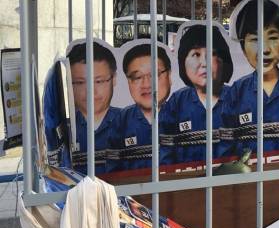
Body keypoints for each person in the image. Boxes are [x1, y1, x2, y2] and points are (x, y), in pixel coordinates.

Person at [221, 0, 279, 157]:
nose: (265, 49)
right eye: (255, 40)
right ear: (243, 47)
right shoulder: (236, 93)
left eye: (272, 38)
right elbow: (226, 147)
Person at [159, 24, 233, 165]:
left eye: (211, 54)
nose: (204, 63)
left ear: (223, 60)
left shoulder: (237, 98)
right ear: (183, 61)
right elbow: (165, 154)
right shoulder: (176, 103)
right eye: (196, 55)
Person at [111, 43, 172, 171]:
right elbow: (112, 169)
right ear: (128, 82)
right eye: (137, 77)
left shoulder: (181, 113)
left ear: (169, 76)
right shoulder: (121, 121)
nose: (146, 84)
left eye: (154, 75)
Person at [67, 41, 121, 175]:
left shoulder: (130, 122)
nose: (91, 91)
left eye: (99, 81)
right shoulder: (64, 131)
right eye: (80, 82)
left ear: (114, 79)